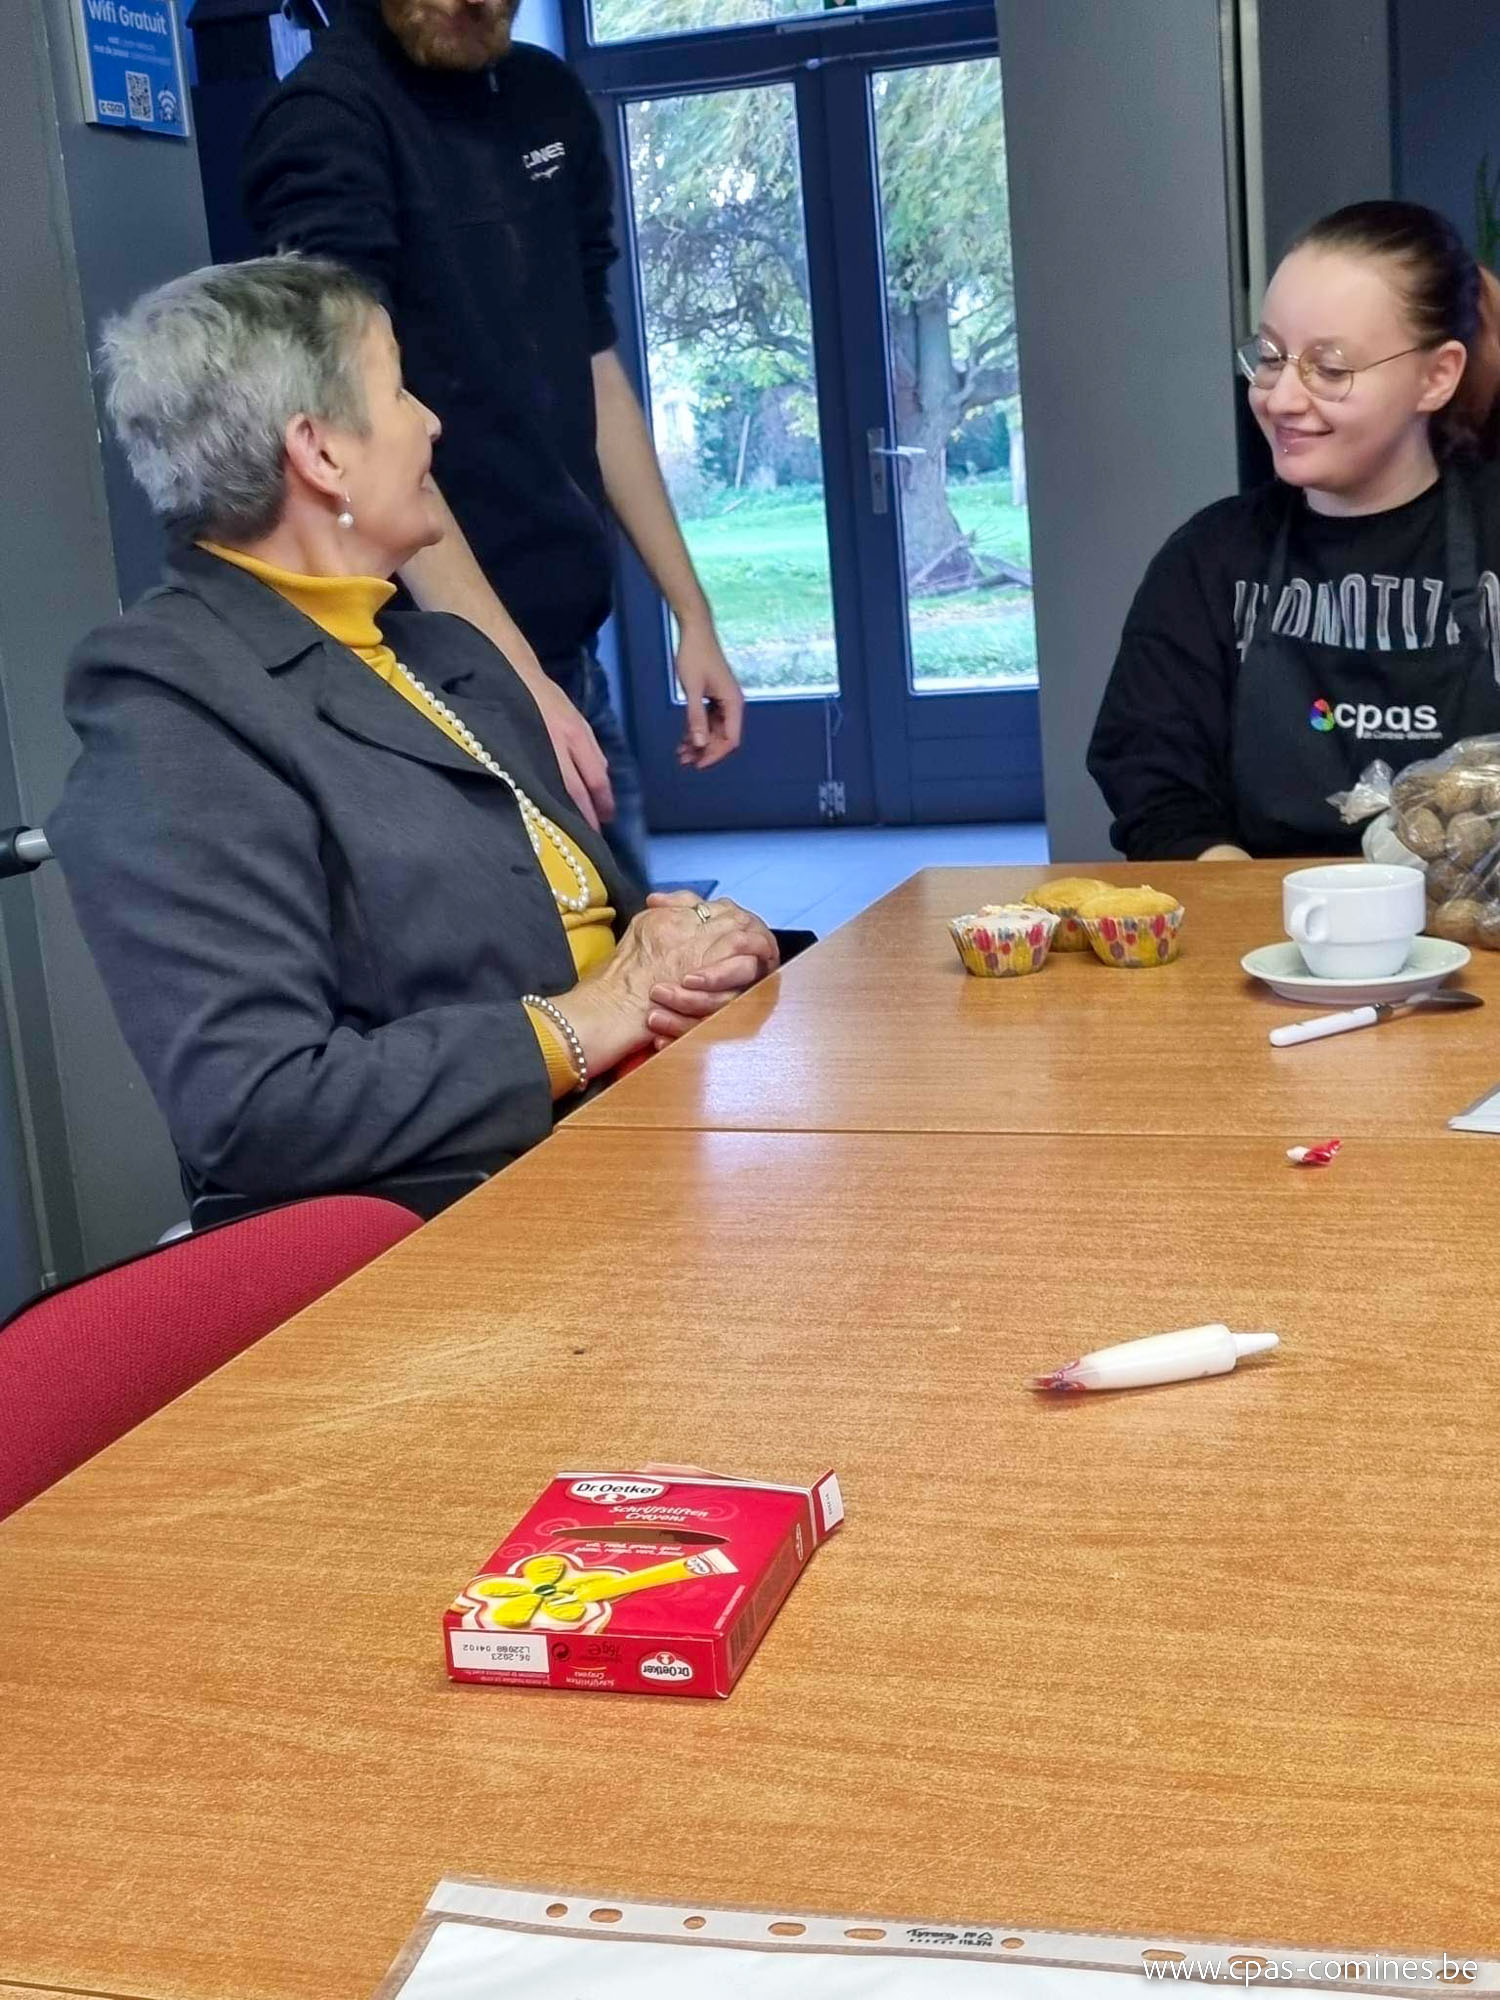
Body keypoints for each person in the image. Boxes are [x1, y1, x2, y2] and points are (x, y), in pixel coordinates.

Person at [48, 258, 778, 1216]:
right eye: (397, 390)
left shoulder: (446, 654)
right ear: (319, 453)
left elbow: (593, 938)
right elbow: (257, 1108)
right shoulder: (167, 703)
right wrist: (589, 1021)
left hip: (640, 1143)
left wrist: (704, 949)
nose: (431, 422)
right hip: (470, 1226)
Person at [241, 0, 747, 889]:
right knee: (550, 956)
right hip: (423, 669)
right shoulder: (326, 120)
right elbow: (355, 420)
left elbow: (594, 364)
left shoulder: (547, 99)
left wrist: (691, 613)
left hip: (564, 652)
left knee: (642, 940)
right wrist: (517, 685)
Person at [1088, 200, 1500, 860]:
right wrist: (1252, 902)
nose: (1279, 398)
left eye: (1330, 368)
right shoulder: (1209, 561)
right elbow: (1153, 780)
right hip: (1269, 918)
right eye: (1271, 356)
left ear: (1437, 376)